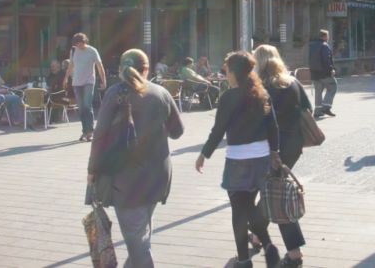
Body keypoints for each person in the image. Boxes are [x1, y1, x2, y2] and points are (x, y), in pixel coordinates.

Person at [87, 48, 184, 268]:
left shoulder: (115, 93)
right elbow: (178, 131)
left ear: (121, 70)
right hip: (159, 176)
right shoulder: (161, 93)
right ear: (146, 69)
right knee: (140, 232)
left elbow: (99, 134)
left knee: (137, 240)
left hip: (127, 179)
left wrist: (92, 170)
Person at [195, 51, 281, 268]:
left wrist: (204, 153)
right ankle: (269, 247)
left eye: (227, 70)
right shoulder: (262, 94)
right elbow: (273, 127)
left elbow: (218, 130)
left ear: (234, 73)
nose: (225, 74)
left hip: (238, 160)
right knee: (250, 207)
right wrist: (275, 153)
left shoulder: (228, 97)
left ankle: (244, 260)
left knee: (239, 211)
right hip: (261, 158)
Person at [253, 44, 309, 267]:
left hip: (272, 148)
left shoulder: (263, 86)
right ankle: (257, 234)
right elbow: (307, 108)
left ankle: (294, 254)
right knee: (272, 190)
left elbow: (259, 121)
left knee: (276, 195)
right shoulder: (292, 82)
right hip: (294, 144)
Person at [63, 33, 106, 142]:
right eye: (76, 44)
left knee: (87, 106)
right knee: (81, 108)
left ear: (84, 41)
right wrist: (66, 78)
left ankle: (90, 132)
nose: (79, 46)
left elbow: (99, 66)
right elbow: (71, 65)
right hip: (76, 82)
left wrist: (103, 80)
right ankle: (85, 131)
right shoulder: (73, 51)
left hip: (88, 82)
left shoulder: (92, 51)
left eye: (80, 43)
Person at [308, 29, 337, 119]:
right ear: (324, 36)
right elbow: (326, 59)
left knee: (318, 91)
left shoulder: (312, 46)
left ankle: (317, 111)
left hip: (314, 73)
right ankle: (326, 107)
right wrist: (331, 69)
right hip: (324, 73)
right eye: (327, 36)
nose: (328, 38)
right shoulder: (324, 46)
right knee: (333, 86)